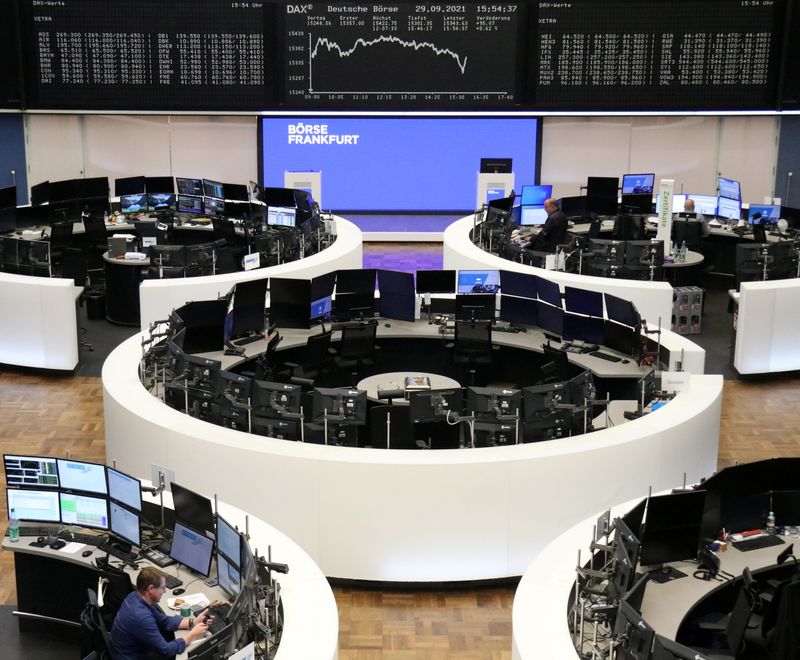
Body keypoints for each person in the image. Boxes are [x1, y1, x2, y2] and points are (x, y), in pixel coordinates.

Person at [111, 566, 213, 660]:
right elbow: (166, 651)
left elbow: (163, 621)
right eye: (162, 588)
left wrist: (193, 622)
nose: (164, 591)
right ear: (151, 588)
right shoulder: (141, 617)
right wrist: (192, 635)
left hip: (130, 651)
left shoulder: (134, 596)